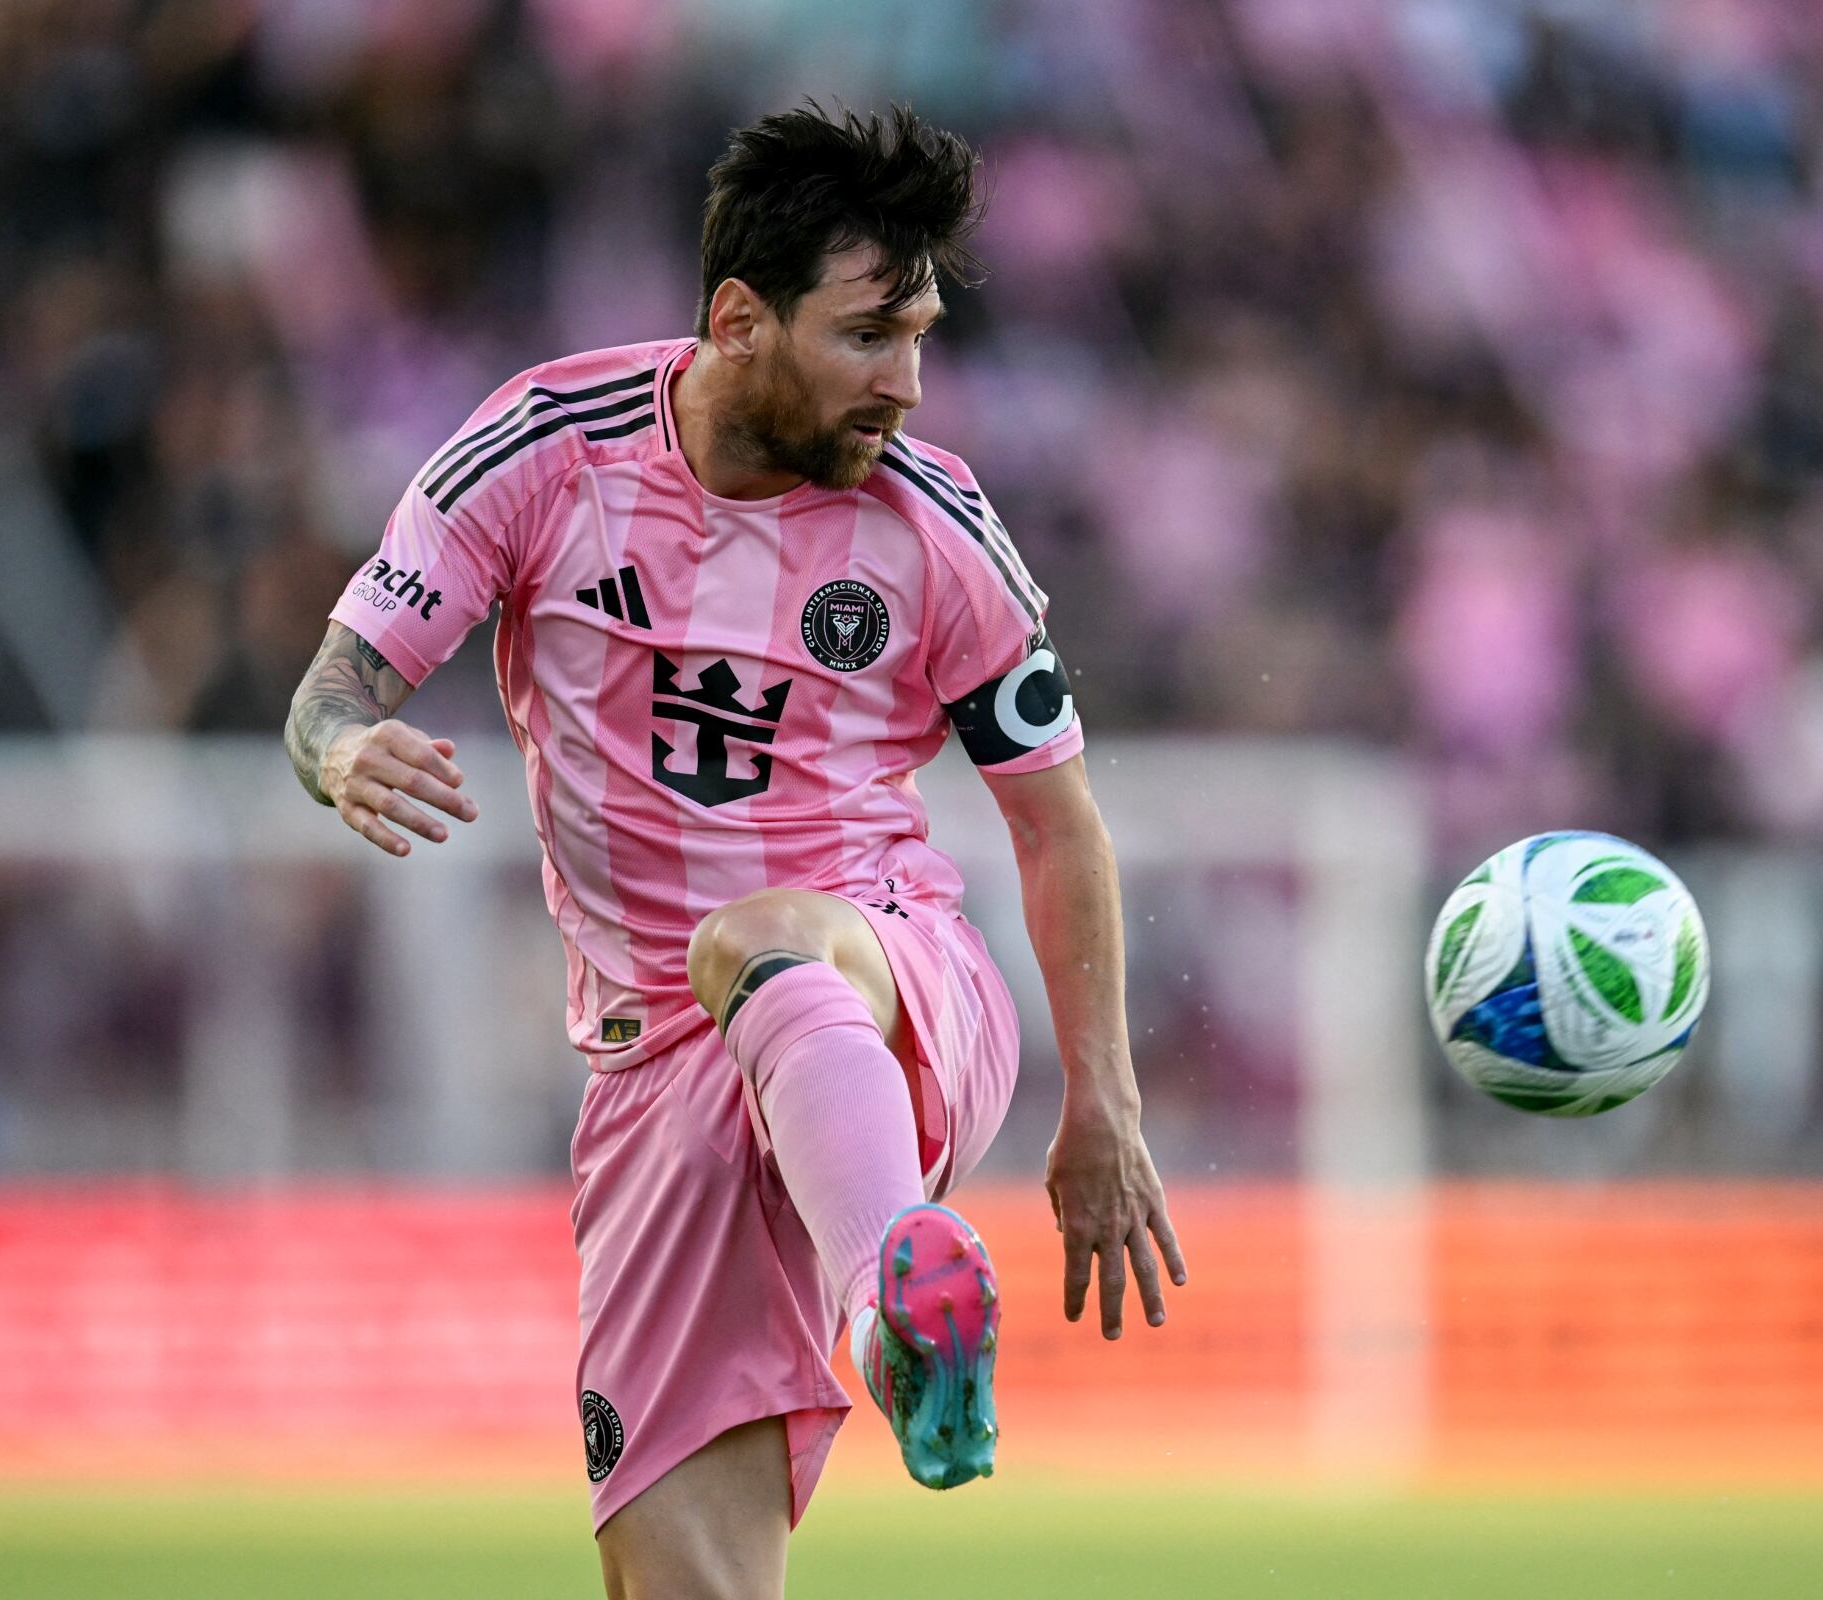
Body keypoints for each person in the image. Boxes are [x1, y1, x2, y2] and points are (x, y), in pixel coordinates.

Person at [283, 102, 1186, 1599]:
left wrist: (1105, 1105)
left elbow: (1057, 824)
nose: (905, 383)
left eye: (923, 337)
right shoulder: (545, 456)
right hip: (660, 1079)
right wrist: (341, 755)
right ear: (737, 320)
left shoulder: (937, 525)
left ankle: (904, 1298)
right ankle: (898, 1292)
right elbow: (329, 695)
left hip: (891, 994)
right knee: (680, 1581)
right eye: (866, 338)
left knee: (761, 936)